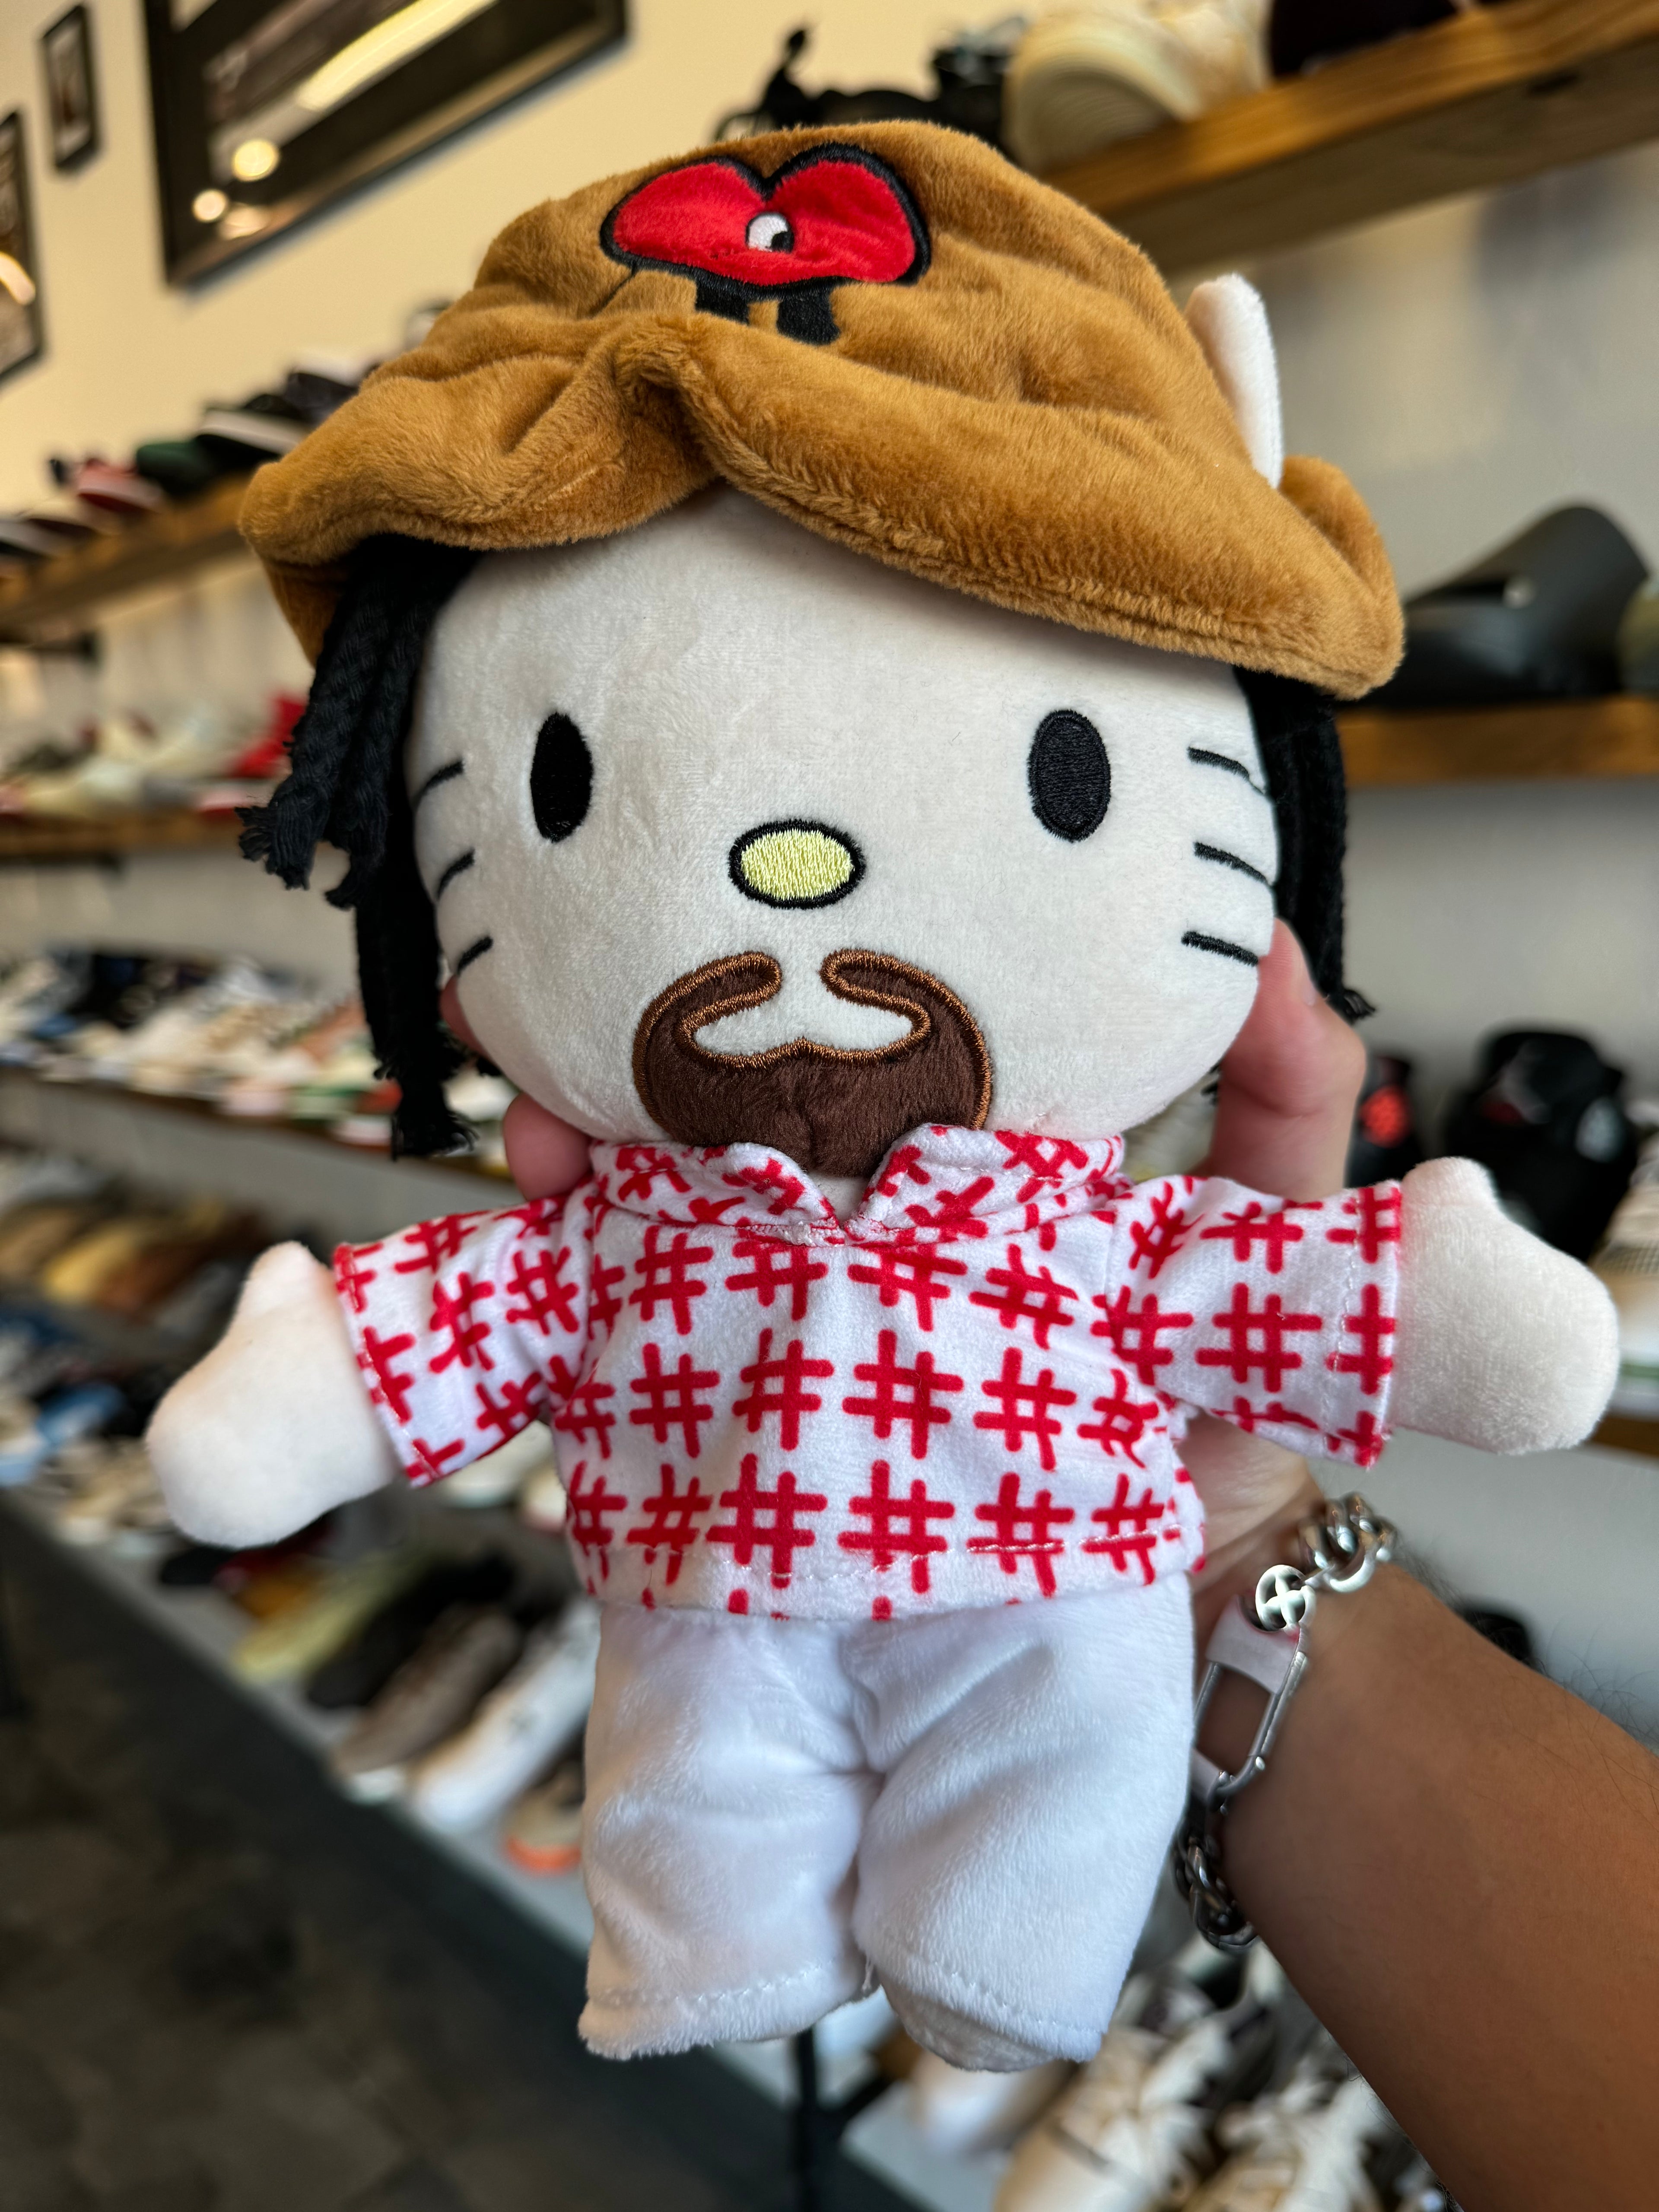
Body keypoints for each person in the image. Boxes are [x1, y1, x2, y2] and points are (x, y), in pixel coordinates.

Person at [448, 923, 1659, 2212]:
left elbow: (1267, 1281)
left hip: (1048, 1573)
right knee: (713, 1764)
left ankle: (1003, 1956)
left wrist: (1427, 1309)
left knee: (1049, 1747)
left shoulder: (1082, 1224)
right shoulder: (628, 1225)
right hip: (735, 1566)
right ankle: (721, 1941)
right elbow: (445, 1315)